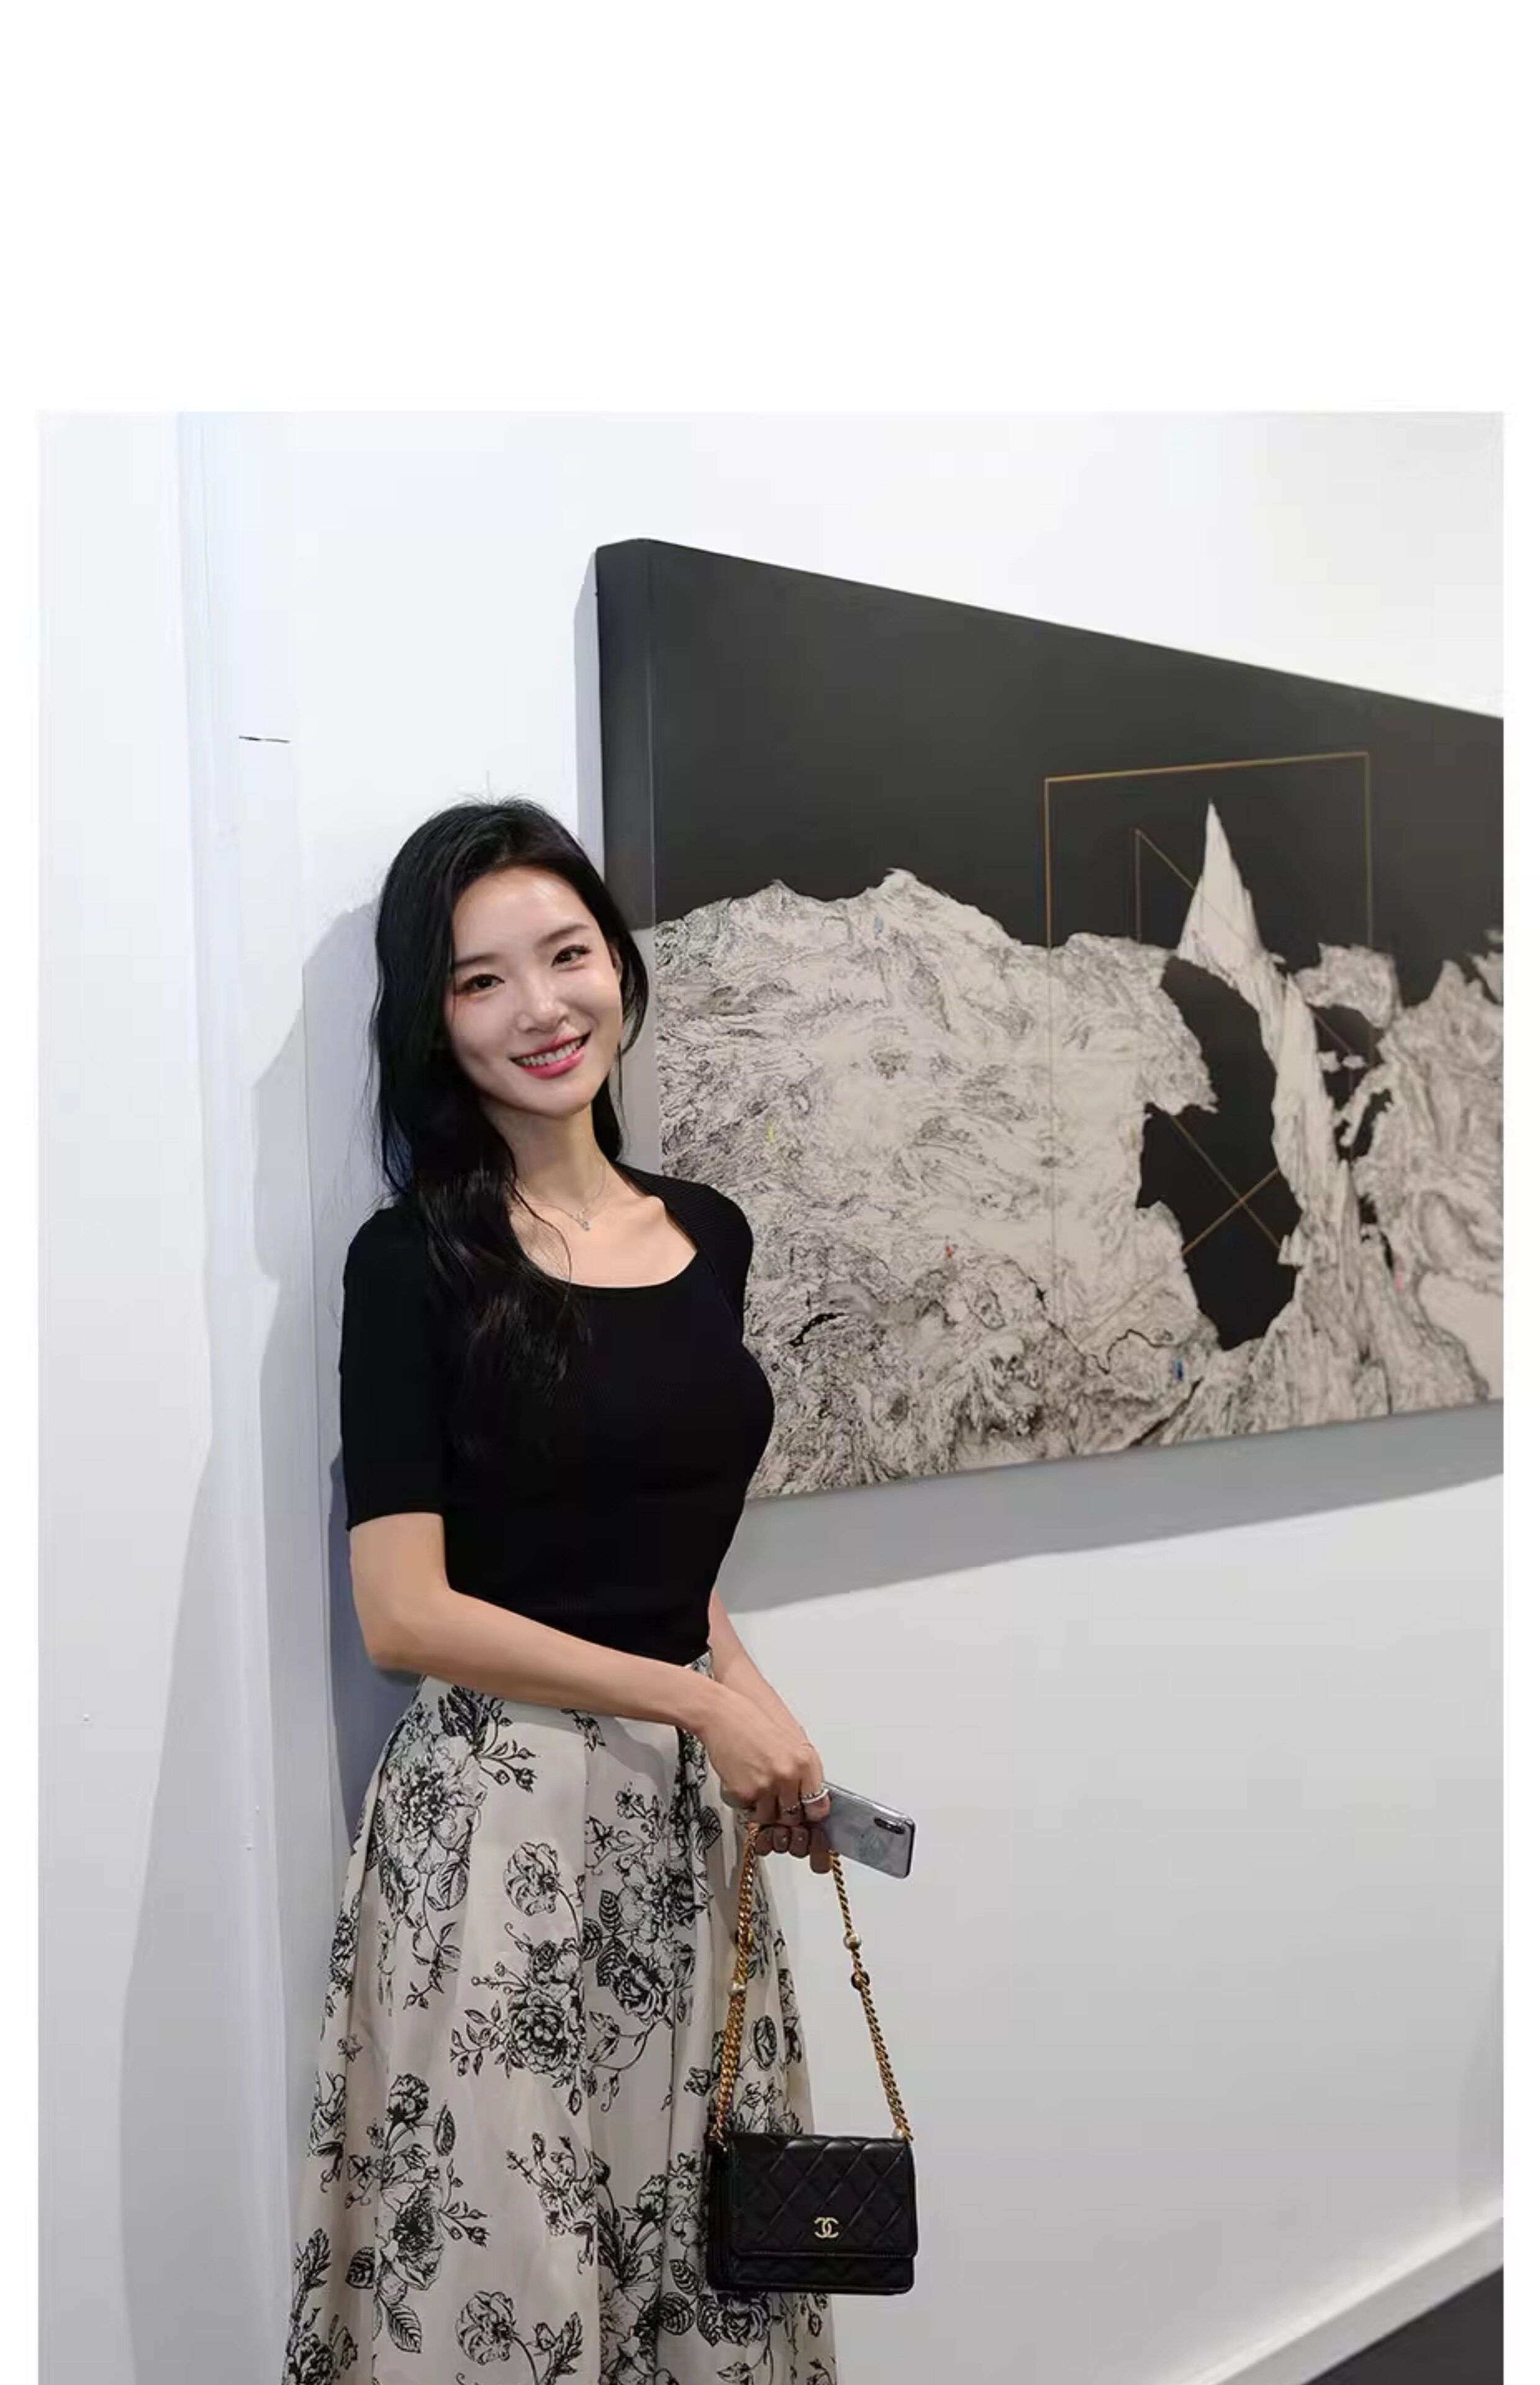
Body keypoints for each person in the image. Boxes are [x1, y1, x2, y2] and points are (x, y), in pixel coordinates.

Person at [283, 799, 838, 2385]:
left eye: (566, 954)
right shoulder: (411, 1264)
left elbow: (669, 1557)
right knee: (507, 2283)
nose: (540, 1008)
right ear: (432, 1021)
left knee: (704, 2270)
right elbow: (405, 1615)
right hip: (496, 1826)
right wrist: (697, 1707)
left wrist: (760, 1713)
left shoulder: (707, 1234)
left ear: (617, 966)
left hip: (682, 1821)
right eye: (481, 980)